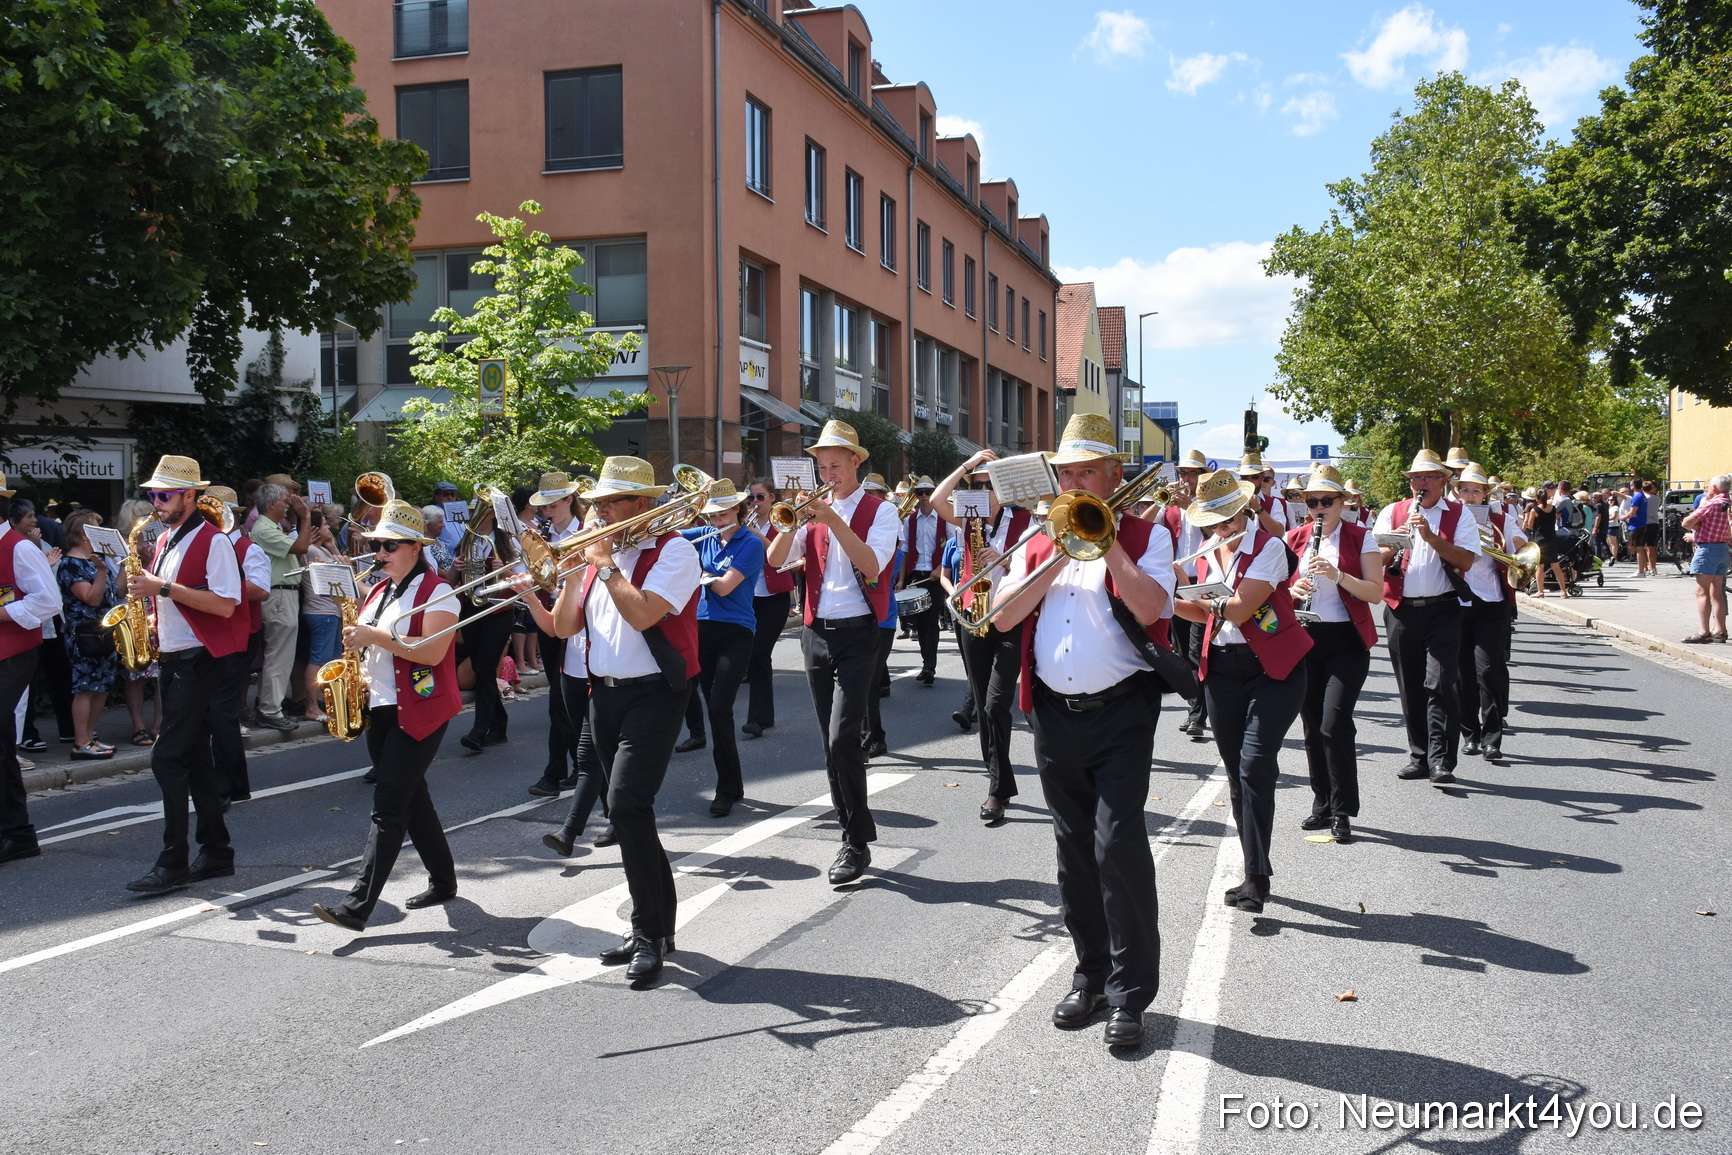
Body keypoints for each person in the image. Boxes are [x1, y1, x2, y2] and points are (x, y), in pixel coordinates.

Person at [990, 412, 1176, 1050]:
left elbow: (1153, 609)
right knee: (1073, 855)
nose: (1073, 482)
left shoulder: (1148, 536)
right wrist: (1057, 550)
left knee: (1116, 847)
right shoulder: (1041, 540)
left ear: (1113, 475)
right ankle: (1091, 975)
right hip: (1052, 714)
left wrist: (1108, 544)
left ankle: (1130, 993)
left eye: (1085, 472)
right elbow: (1002, 617)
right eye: (1065, 472)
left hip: (1122, 711)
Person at [546, 457, 701, 981]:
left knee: (626, 805)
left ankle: (646, 931)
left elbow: (642, 614)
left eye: (611, 502)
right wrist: (565, 574)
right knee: (633, 814)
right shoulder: (595, 558)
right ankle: (660, 925)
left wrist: (605, 564)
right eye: (597, 503)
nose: (599, 511)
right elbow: (565, 627)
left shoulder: (675, 551)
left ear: (642, 504)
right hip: (602, 693)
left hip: (655, 692)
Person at [311, 501, 462, 932]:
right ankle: (445, 879)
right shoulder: (378, 591)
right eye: (378, 545)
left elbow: (432, 651)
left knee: (389, 805)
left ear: (416, 546)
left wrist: (374, 634)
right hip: (381, 705)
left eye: (390, 546)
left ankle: (356, 907)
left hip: (422, 707)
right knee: (413, 798)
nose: (380, 554)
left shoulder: (438, 592)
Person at [764, 420, 899, 887]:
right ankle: (851, 834)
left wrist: (832, 518)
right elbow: (776, 561)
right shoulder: (812, 511)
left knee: (845, 739)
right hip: (815, 631)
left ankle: (856, 840)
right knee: (829, 743)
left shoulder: (881, 511)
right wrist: (791, 521)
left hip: (862, 632)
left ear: (856, 463)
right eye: (821, 466)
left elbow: (873, 565)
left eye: (835, 466)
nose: (828, 474)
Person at [124, 455, 247, 895]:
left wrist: (162, 588)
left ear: (190, 495)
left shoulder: (214, 541)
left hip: (200, 658)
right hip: (175, 656)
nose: (156, 502)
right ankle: (216, 851)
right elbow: (171, 599)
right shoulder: (166, 539)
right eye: (153, 494)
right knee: (194, 759)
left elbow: (225, 603)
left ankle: (172, 861)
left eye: (164, 494)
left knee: (167, 758)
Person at [930, 451, 1037, 821]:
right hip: (972, 618)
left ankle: (997, 788)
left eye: (990, 485)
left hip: (1009, 617)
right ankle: (999, 784)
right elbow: (934, 500)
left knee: (995, 705)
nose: (983, 490)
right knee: (982, 700)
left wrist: (1005, 559)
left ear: (1003, 490)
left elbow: (1037, 564)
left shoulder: (1024, 520)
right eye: (977, 485)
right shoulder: (967, 519)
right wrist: (966, 465)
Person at [1285, 466, 1381, 844]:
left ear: (1343, 502)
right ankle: (1322, 802)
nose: (1319, 508)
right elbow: (1278, 590)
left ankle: (1343, 811)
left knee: (1333, 723)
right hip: (1306, 637)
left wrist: (1338, 575)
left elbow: (1374, 592)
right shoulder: (1295, 537)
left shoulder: (1362, 538)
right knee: (1311, 727)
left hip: (1346, 640)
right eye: (1312, 502)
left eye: (1327, 501)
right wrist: (1292, 591)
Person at [1376, 449, 1481, 787]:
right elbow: (1374, 558)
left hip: (1443, 608)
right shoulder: (1393, 512)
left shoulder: (1459, 514)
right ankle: (1419, 756)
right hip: (1401, 608)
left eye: (1427, 478)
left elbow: (1465, 562)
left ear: (1443, 481)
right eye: (1415, 478)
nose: (1419, 484)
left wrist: (1430, 537)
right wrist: (1399, 539)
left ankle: (1441, 761)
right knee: (1410, 686)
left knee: (1440, 684)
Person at [669, 480, 764, 815]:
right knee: (712, 707)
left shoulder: (751, 544)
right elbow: (668, 540)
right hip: (701, 627)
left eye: (724, 511)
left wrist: (698, 574)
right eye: (713, 512)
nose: (719, 517)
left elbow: (724, 588)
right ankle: (733, 783)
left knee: (720, 708)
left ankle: (725, 789)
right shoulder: (704, 534)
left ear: (738, 508)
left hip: (736, 631)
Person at [1, 471, 62, 865]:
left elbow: (48, 601)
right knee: (3, 742)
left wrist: (2, 612)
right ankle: (18, 833)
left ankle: (16, 832)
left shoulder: (18, 547)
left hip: (13, 653)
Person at [1452, 464, 1522, 761]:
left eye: (1476, 491)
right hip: (1459, 600)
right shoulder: (1452, 518)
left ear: (1485, 494)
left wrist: (1500, 543)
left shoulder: (1500, 518)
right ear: (1459, 493)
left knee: (1489, 670)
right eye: (1465, 490)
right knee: (1462, 672)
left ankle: (1492, 737)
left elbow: (1520, 545)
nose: (1470, 495)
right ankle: (1470, 734)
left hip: (1492, 600)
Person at [453, 491, 518, 751]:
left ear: (492, 514)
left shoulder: (507, 543)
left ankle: (479, 731)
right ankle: (499, 724)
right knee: (483, 670)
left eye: (480, 510)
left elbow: (522, 580)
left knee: (485, 669)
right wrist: (456, 567)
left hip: (498, 611)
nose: (474, 516)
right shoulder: (466, 540)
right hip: (472, 609)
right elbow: (451, 582)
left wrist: (504, 569)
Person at [55, 510, 121, 761]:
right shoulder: (72, 563)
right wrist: (102, 572)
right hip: (84, 633)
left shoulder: (95, 560)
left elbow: (118, 591)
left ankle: (90, 736)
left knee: (101, 685)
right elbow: (91, 598)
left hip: (103, 631)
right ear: (84, 535)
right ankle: (80, 741)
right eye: (96, 530)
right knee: (85, 686)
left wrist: (123, 565)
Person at [247, 483, 311, 730]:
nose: (288, 505)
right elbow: (301, 547)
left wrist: (297, 518)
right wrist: (304, 517)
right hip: (279, 595)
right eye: (285, 501)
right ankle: (270, 710)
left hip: (283, 595)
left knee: (277, 654)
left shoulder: (270, 527)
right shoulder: (264, 528)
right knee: (280, 655)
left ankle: (268, 704)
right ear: (272, 504)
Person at [741, 478, 796, 739]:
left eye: (760, 497)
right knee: (752, 655)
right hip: (748, 596)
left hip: (774, 597)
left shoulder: (782, 521)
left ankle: (758, 719)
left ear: (772, 498)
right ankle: (764, 715)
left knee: (759, 652)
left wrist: (756, 534)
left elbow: (780, 558)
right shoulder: (745, 523)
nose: (755, 503)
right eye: (751, 498)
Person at [860, 475, 902, 761]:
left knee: (870, 683)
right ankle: (870, 737)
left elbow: (873, 570)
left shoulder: (893, 550)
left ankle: (874, 739)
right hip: (863, 616)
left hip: (882, 618)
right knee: (863, 684)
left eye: (875, 494)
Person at [298, 505, 350, 724]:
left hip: (331, 612)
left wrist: (332, 545)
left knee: (333, 660)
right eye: (325, 525)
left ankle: (328, 702)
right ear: (316, 529)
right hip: (321, 612)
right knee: (319, 659)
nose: (329, 527)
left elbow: (345, 573)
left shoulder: (323, 550)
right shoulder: (311, 551)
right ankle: (312, 705)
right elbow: (343, 574)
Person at [896, 476, 945, 686]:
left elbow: (953, 548)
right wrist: (901, 579)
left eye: (927, 492)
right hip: (916, 576)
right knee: (919, 623)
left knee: (930, 623)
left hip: (935, 577)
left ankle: (929, 667)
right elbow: (905, 551)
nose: (924, 496)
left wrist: (939, 569)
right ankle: (926, 662)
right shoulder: (910, 520)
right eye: (920, 492)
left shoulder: (944, 517)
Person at [1680, 474, 1731, 643]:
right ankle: (1721, 630)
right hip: (1723, 549)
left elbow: (1686, 522)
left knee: (1702, 591)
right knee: (1717, 591)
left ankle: (1704, 631)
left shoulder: (1713, 503)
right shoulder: (1728, 503)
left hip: (1707, 548)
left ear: (1715, 488)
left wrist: (1696, 525)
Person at [1523, 484, 1568, 597]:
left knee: (1540, 566)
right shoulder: (1553, 509)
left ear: (1537, 499)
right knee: (1555, 565)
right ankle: (1563, 591)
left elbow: (1530, 525)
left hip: (1540, 540)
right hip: (1551, 538)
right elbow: (1553, 521)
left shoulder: (1535, 510)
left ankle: (1540, 591)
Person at [1237, 451, 1289, 536]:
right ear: (1240, 478)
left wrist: (1258, 509)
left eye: (1255, 477)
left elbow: (1279, 533)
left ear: (1262, 477)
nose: (1250, 481)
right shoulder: (1232, 500)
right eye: (1245, 477)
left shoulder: (1274, 503)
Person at [1627, 480, 1655, 577]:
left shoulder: (1637, 496)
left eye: (1631, 484)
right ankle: (1643, 569)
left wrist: (1622, 517)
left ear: (1634, 486)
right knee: (1640, 548)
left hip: (1636, 525)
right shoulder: (1642, 496)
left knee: (1638, 548)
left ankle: (1640, 571)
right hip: (1642, 524)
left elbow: (1632, 512)